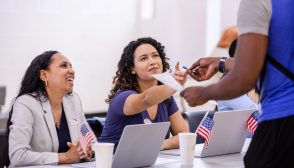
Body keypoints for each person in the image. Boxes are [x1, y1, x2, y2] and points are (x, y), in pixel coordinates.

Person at [180, 0, 294, 167]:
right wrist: (221, 63)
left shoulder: (257, 3)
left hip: (283, 120)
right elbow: (274, 58)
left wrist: (202, 94)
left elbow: (244, 78)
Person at [99, 37, 189, 151]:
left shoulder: (166, 98)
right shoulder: (122, 97)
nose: (152, 61)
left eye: (155, 56)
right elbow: (146, 99)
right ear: (133, 69)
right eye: (144, 58)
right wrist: (173, 84)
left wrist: (161, 144)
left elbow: (184, 135)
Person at [5, 51, 92, 167]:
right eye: (63, 65)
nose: (72, 71)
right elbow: (18, 156)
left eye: (71, 66)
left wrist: (88, 151)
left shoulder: (74, 100)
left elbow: (89, 139)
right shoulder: (25, 103)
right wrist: (65, 157)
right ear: (44, 75)